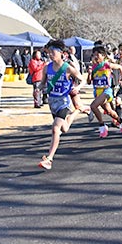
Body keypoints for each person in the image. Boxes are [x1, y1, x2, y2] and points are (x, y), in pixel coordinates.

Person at [38, 39, 86, 170]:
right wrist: (39, 88)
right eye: (49, 52)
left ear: (61, 53)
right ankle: (78, 111)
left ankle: (49, 159)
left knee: (55, 129)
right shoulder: (47, 68)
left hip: (63, 102)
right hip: (52, 102)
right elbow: (43, 83)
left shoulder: (68, 68)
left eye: (53, 52)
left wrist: (78, 87)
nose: (50, 54)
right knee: (64, 129)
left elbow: (83, 79)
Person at [86, 46, 122, 138]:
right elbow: (89, 82)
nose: (95, 57)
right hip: (98, 92)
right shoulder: (93, 67)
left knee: (93, 106)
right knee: (109, 112)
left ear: (103, 56)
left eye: (98, 55)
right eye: (94, 55)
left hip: (107, 91)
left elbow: (120, 67)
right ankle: (121, 121)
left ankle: (102, 126)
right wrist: (89, 73)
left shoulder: (107, 64)